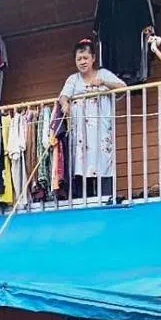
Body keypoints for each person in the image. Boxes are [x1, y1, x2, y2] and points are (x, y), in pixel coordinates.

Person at [57, 37, 126, 200]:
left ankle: (107, 198)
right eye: (79, 58)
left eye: (85, 58)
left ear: (93, 58)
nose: (82, 62)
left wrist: (104, 82)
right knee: (81, 165)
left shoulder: (103, 74)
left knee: (103, 163)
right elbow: (63, 96)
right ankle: (83, 200)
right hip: (81, 134)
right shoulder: (73, 79)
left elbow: (123, 87)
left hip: (101, 132)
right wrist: (65, 104)